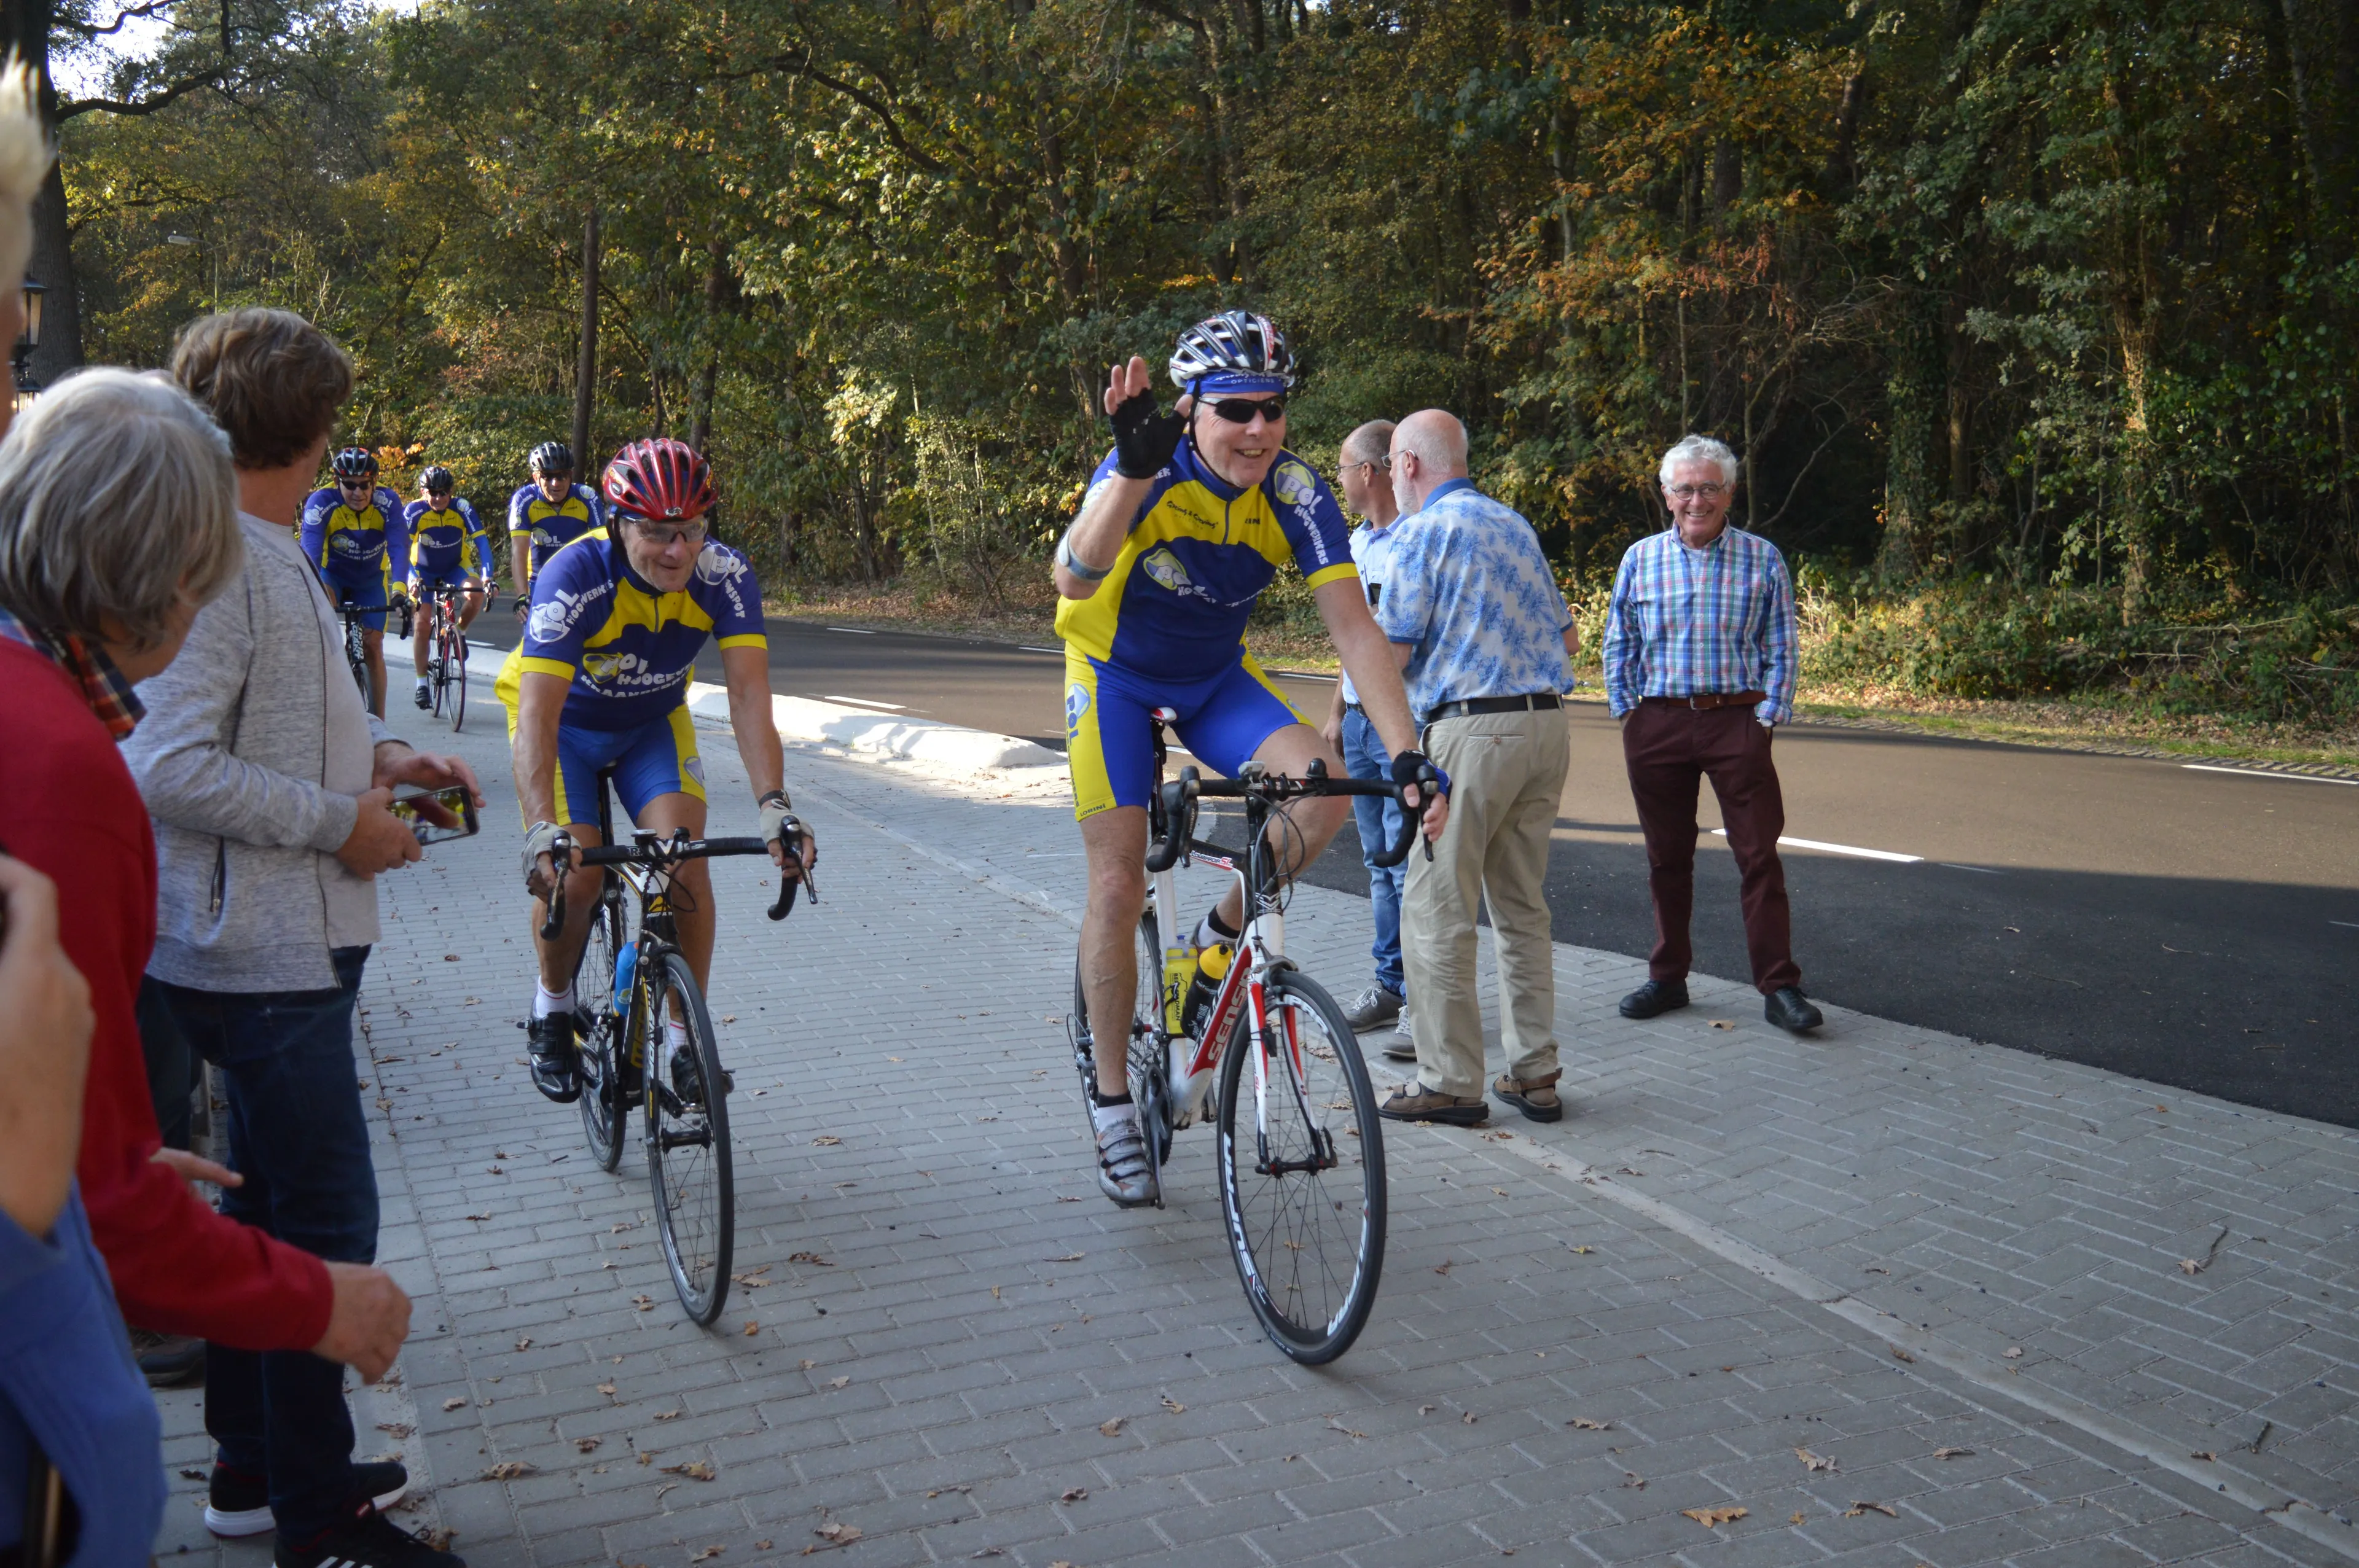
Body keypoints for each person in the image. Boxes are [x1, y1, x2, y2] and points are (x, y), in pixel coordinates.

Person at [132, 307, 483, 1568]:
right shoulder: (226, 559)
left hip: (281, 945)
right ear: (310, 426)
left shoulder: (258, 544)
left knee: (270, 1224)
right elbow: (166, 762)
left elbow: (280, 728)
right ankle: (321, 1523)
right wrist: (345, 821)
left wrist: (391, 760)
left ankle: (257, 1466)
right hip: (265, 957)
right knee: (323, 1227)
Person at [1055, 310, 1444, 1206]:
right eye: (1235, 409)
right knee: (1117, 882)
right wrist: (1131, 474)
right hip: (1111, 674)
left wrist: (1408, 751)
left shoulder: (1298, 494)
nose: (1259, 429)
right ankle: (1115, 1103)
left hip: (1212, 680)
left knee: (1324, 791)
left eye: (1272, 408)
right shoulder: (1145, 470)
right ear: (1192, 411)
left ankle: (1216, 940)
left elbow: (1354, 627)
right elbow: (1073, 578)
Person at [501, 437, 814, 1105]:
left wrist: (774, 805)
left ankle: (681, 1042)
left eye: (692, 530)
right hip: (566, 731)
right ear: (618, 522)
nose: (676, 550)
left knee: (684, 868)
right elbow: (538, 719)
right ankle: (552, 1007)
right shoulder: (573, 574)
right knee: (576, 881)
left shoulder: (724, 575)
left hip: (651, 725)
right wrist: (538, 830)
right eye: (656, 532)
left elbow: (750, 699)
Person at [1371, 410, 1578, 1127]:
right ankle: (1536, 1071)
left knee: (1436, 910)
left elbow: (1389, 653)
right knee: (1522, 907)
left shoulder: (1421, 533)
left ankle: (1450, 1080)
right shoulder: (1515, 525)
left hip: (1469, 732)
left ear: (1407, 465)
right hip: (1546, 726)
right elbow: (1566, 631)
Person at [1602, 434, 1823, 1035]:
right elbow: (1619, 639)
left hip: (1736, 721)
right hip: (1658, 723)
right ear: (1667, 495)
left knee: (1758, 857)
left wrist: (1770, 714)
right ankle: (1668, 977)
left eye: (1709, 487)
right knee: (1666, 859)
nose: (1696, 499)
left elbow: (1781, 642)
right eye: (1685, 488)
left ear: (1729, 493)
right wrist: (1629, 710)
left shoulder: (1763, 558)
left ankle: (1779, 987)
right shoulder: (1640, 559)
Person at [1317, 419, 1414, 1051]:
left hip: (1399, 722)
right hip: (1357, 723)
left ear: (1371, 473)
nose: (1342, 481)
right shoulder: (1355, 545)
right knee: (1378, 864)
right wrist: (1336, 712)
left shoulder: (1417, 540)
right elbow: (1353, 641)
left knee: (1412, 871)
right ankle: (1390, 986)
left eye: (1346, 469)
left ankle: (1425, 1002)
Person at [300, 447, 407, 718]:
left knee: (374, 647)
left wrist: (400, 592)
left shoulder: (388, 501)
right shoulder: (321, 502)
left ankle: (380, 724)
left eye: (364, 485)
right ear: (337, 482)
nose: (357, 493)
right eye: (349, 485)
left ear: (374, 483)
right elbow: (310, 553)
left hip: (370, 581)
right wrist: (311, 591)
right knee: (321, 608)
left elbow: (399, 547)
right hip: (331, 577)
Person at [401, 464, 493, 709]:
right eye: (433, 492)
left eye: (444, 493)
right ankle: (422, 683)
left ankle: (460, 631)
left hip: (455, 565)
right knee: (422, 622)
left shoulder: (462, 508)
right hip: (423, 570)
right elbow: (400, 551)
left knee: (475, 594)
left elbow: (483, 544)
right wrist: (411, 580)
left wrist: (487, 577)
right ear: (423, 492)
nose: (439, 498)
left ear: (451, 492)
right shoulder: (414, 511)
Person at [506, 439, 606, 601]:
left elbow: (603, 547)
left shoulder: (587, 497)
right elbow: (519, 553)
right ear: (536, 477)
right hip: (539, 582)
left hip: (578, 581)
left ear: (571, 475)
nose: (556, 483)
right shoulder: (525, 500)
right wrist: (522, 596)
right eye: (548, 476)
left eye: (562, 476)